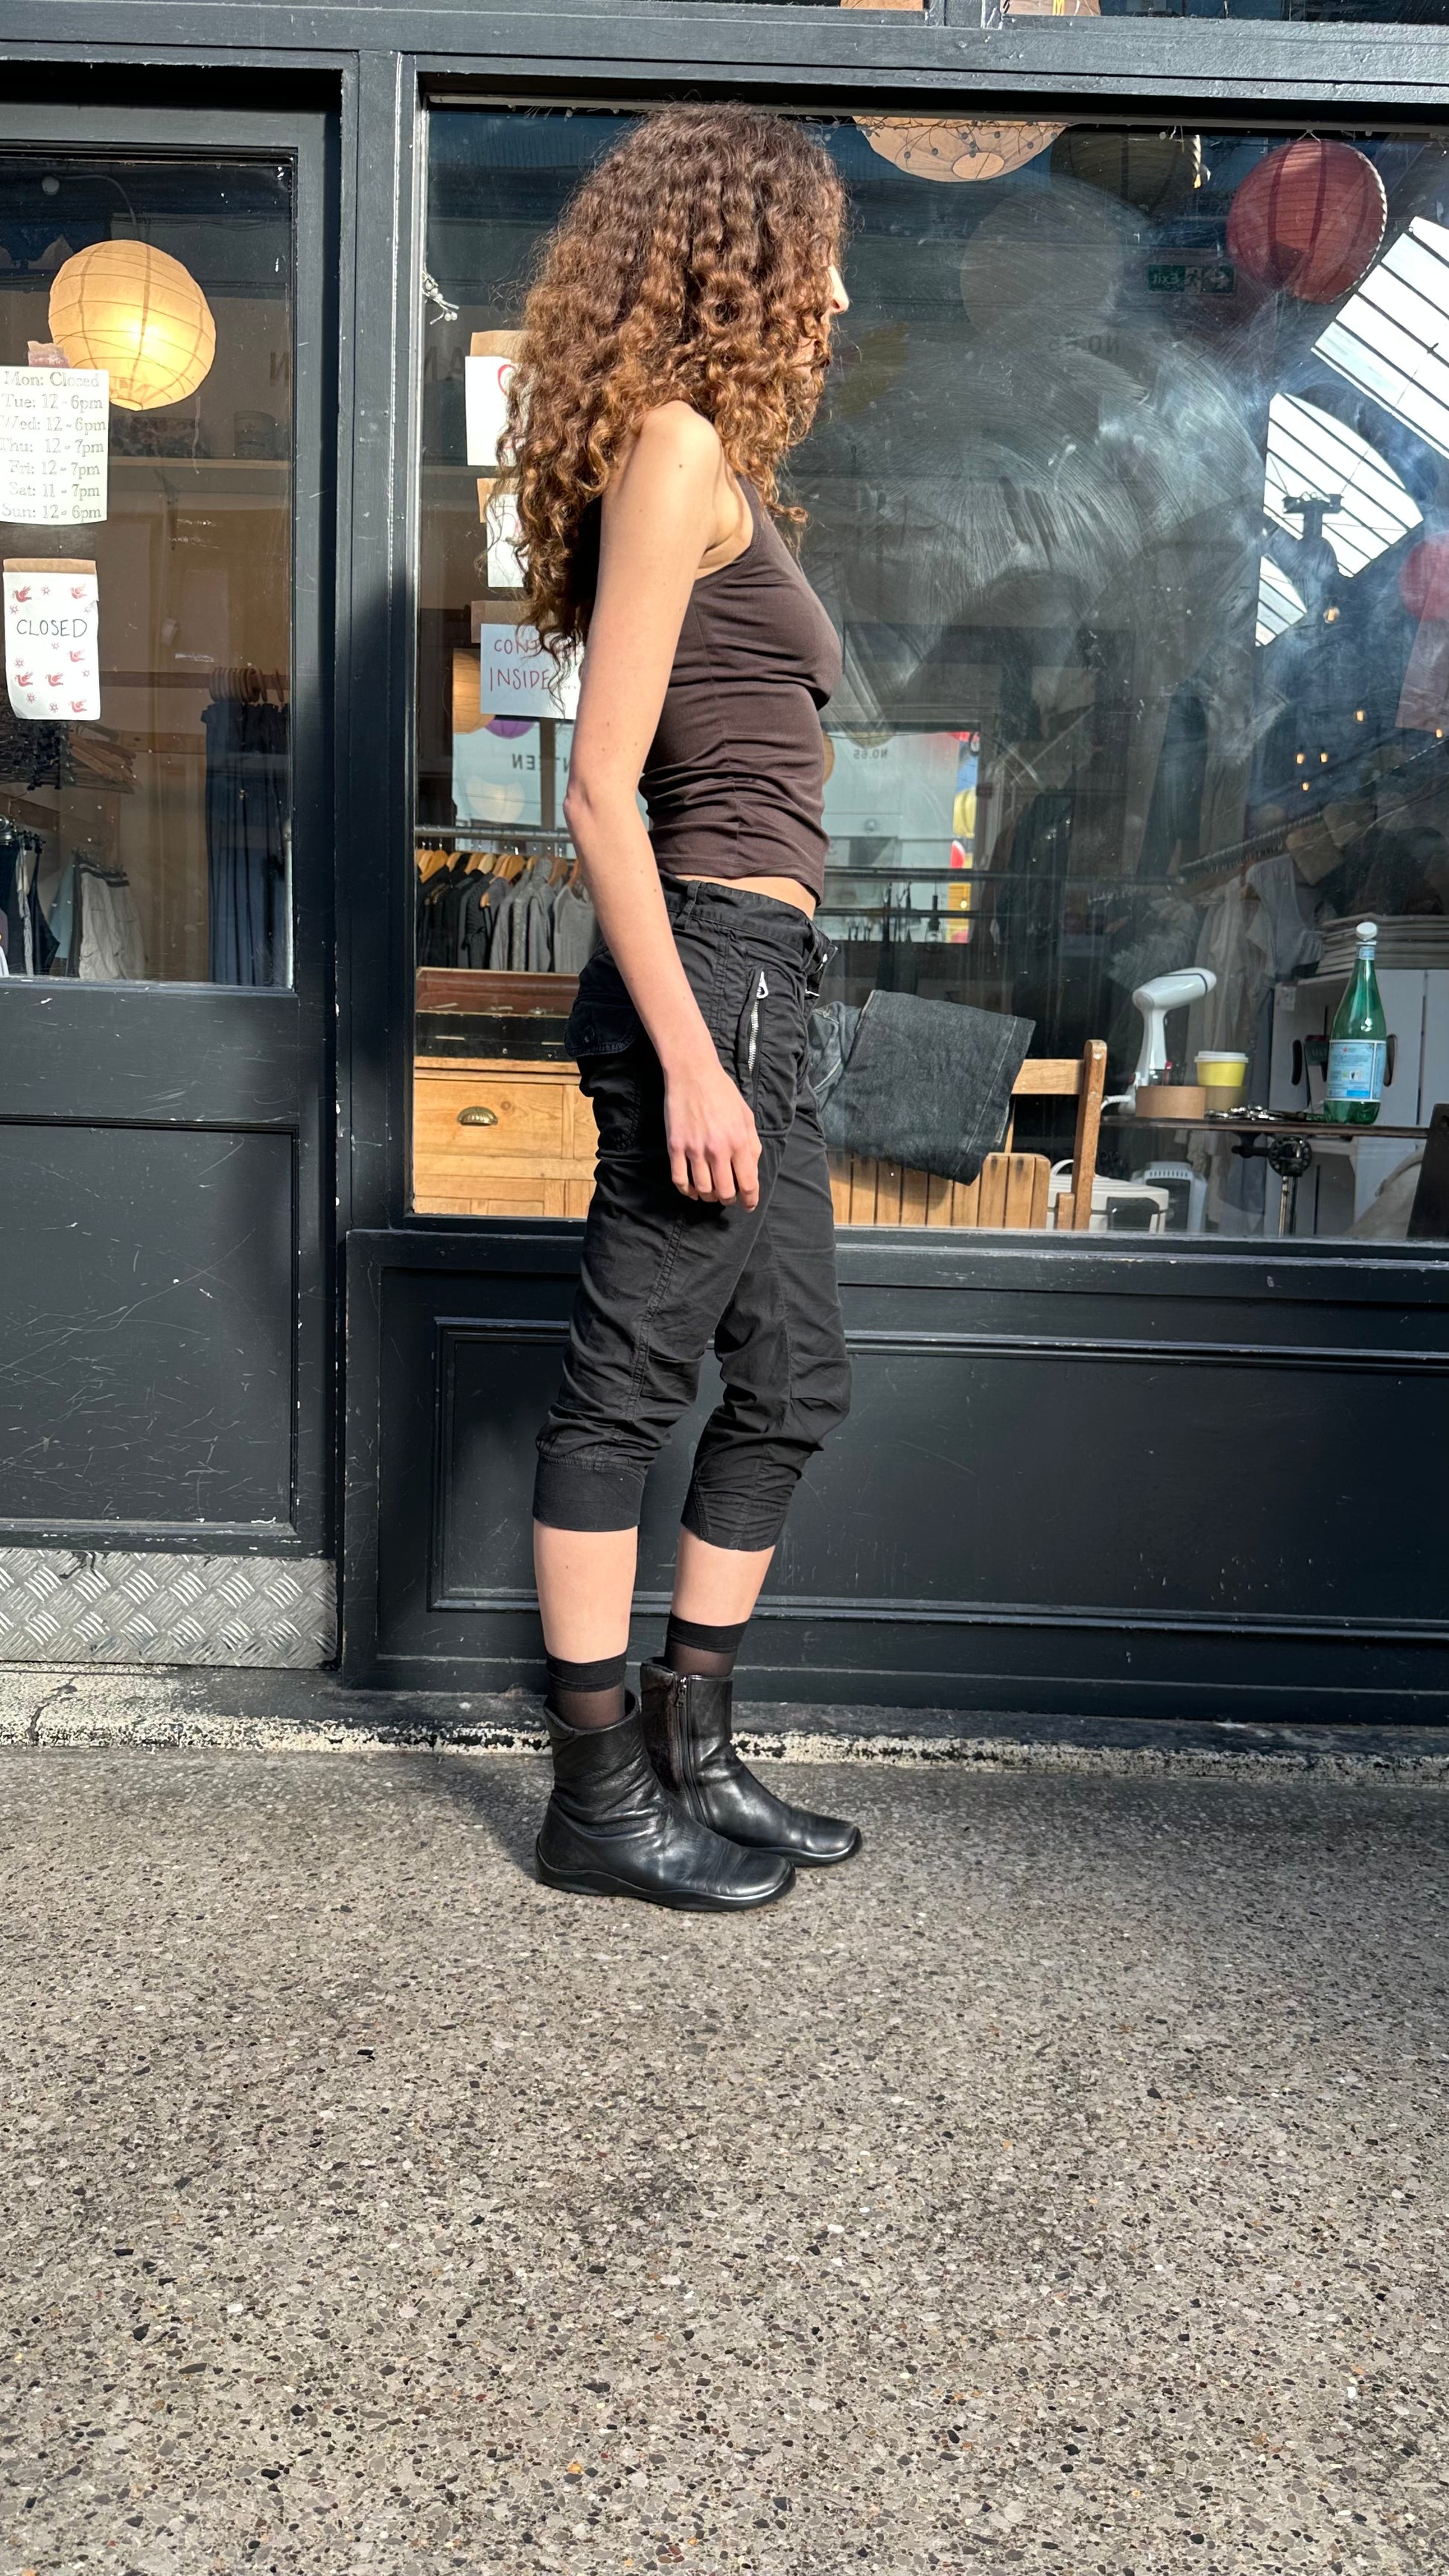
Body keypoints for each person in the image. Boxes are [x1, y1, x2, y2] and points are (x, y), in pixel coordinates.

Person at [507, 103, 861, 1910]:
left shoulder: (711, 462)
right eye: (822, 261)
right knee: (627, 1384)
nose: (841, 298)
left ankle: (691, 1746)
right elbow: (596, 795)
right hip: (708, 976)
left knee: (792, 1384)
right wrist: (697, 1057)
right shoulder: (672, 444)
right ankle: (592, 1795)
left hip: (761, 976)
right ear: (742, 259)